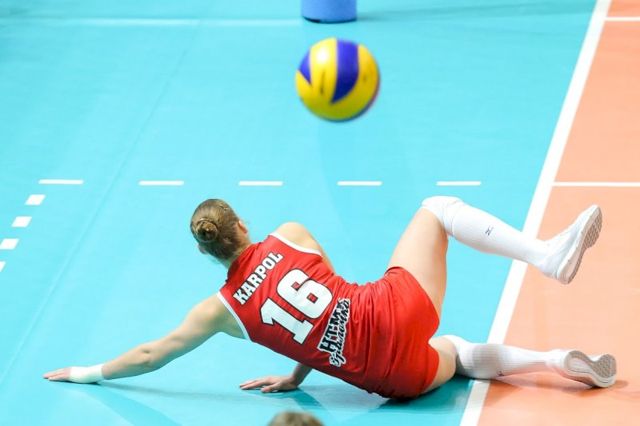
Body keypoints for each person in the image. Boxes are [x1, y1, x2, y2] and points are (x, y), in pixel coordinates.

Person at [44, 197, 616, 398]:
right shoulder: (290, 234)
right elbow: (333, 301)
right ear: (242, 224)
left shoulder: (219, 311)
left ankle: (552, 361)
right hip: (393, 308)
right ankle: (546, 255)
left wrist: (86, 372)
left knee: (458, 354)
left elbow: (153, 355)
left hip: (389, 378)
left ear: (204, 251)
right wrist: (299, 372)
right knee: (438, 209)